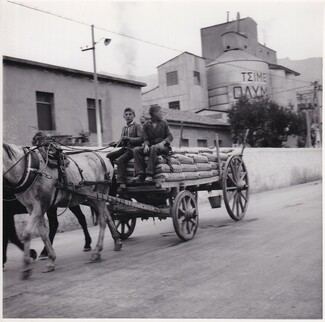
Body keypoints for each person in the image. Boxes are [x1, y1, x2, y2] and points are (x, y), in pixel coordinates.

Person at [133, 104, 173, 183]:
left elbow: (170, 136)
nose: (162, 114)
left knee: (153, 148)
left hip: (164, 147)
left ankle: (149, 174)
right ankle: (140, 174)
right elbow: (146, 139)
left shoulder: (164, 123)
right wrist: (146, 145)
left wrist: (163, 142)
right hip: (152, 147)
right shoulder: (146, 125)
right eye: (160, 112)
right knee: (136, 150)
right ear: (154, 113)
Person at [106, 107, 143, 188]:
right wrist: (115, 144)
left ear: (134, 115)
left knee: (120, 160)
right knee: (108, 156)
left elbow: (141, 139)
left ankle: (122, 182)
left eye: (130, 114)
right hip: (125, 149)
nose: (128, 116)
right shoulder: (124, 127)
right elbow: (122, 141)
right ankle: (112, 178)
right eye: (126, 115)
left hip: (134, 150)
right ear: (123, 116)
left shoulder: (138, 125)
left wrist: (129, 139)